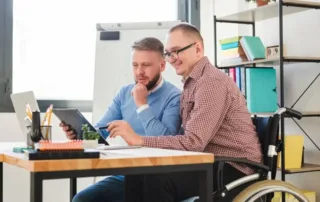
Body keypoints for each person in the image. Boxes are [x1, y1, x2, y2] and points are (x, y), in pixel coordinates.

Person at [107, 23, 264, 201]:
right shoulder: (192, 83)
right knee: (137, 174)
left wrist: (140, 140)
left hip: (234, 169)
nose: (172, 58)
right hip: (209, 163)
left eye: (177, 51)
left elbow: (193, 143)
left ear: (197, 49)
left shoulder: (211, 83)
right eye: (168, 53)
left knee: (157, 179)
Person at [60, 37, 182, 202]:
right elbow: (100, 132)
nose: (139, 71)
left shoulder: (174, 96)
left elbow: (168, 140)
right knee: (81, 200)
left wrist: (141, 104)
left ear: (162, 66)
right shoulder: (125, 93)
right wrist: (78, 134)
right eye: (135, 65)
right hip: (127, 173)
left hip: (157, 178)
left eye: (146, 65)